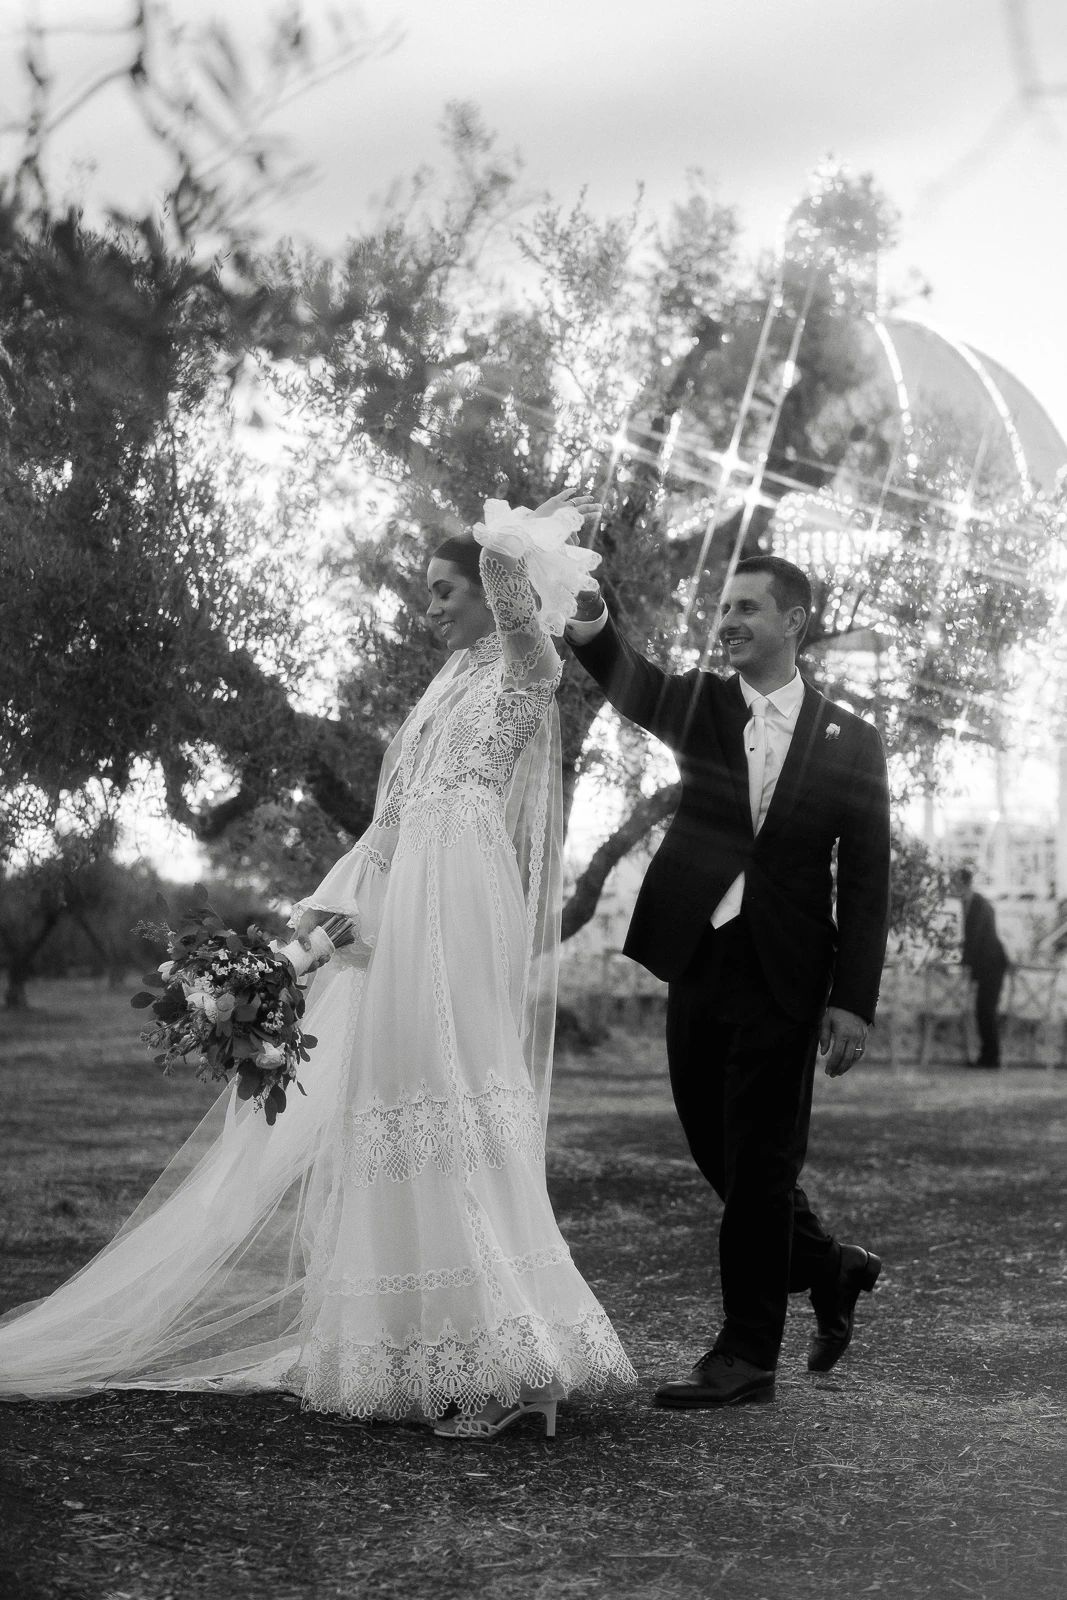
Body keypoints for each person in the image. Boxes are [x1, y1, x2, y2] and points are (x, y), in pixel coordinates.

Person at [0, 490, 637, 1439]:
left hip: (458, 895)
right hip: (402, 891)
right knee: (393, 1100)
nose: (426, 609)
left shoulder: (520, 670)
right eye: (424, 593)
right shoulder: (438, 692)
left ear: (487, 592)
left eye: (439, 590)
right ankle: (443, 1350)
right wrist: (300, 945)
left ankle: (520, 1366)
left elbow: (525, 623)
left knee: (454, 1093)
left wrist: (505, 545)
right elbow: (384, 829)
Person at [565, 554, 891, 1407]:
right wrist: (591, 616)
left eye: (748, 608)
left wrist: (852, 999)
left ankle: (746, 1355)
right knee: (718, 1148)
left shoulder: (851, 741)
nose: (729, 622)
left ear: (795, 621)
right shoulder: (703, 704)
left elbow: (863, 881)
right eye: (725, 609)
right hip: (698, 955)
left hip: (786, 973)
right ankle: (830, 1266)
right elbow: (628, 682)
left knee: (760, 1164)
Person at [952, 865, 1009, 1069]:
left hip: (992, 965)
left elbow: (975, 939)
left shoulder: (978, 904)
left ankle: (991, 1058)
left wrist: (962, 962)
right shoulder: (972, 903)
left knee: (986, 1010)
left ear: (964, 884)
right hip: (987, 965)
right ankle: (988, 1056)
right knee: (983, 1010)